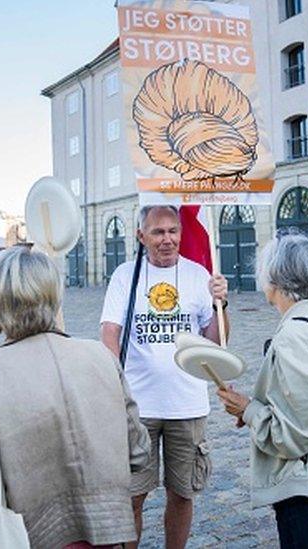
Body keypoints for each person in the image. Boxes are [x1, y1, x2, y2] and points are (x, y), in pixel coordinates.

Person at [0, 246, 150, 548]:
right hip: (106, 537)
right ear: (54, 294)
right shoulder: (101, 357)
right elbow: (139, 453)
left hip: (30, 537)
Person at [100, 205, 229, 549]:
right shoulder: (125, 276)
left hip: (187, 405)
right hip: (137, 407)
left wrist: (222, 305)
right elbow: (110, 332)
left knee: (183, 494)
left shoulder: (198, 274)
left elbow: (214, 342)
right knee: (132, 496)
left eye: (173, 230)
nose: (167, 239)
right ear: (141, 236)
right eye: (157, 232)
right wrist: (117, 381)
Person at [217, 231, 308, 549]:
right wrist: (254, 407)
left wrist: (249, 410)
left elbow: (300, 433)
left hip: (305, 490)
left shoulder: (294, 335)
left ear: (274, 277)